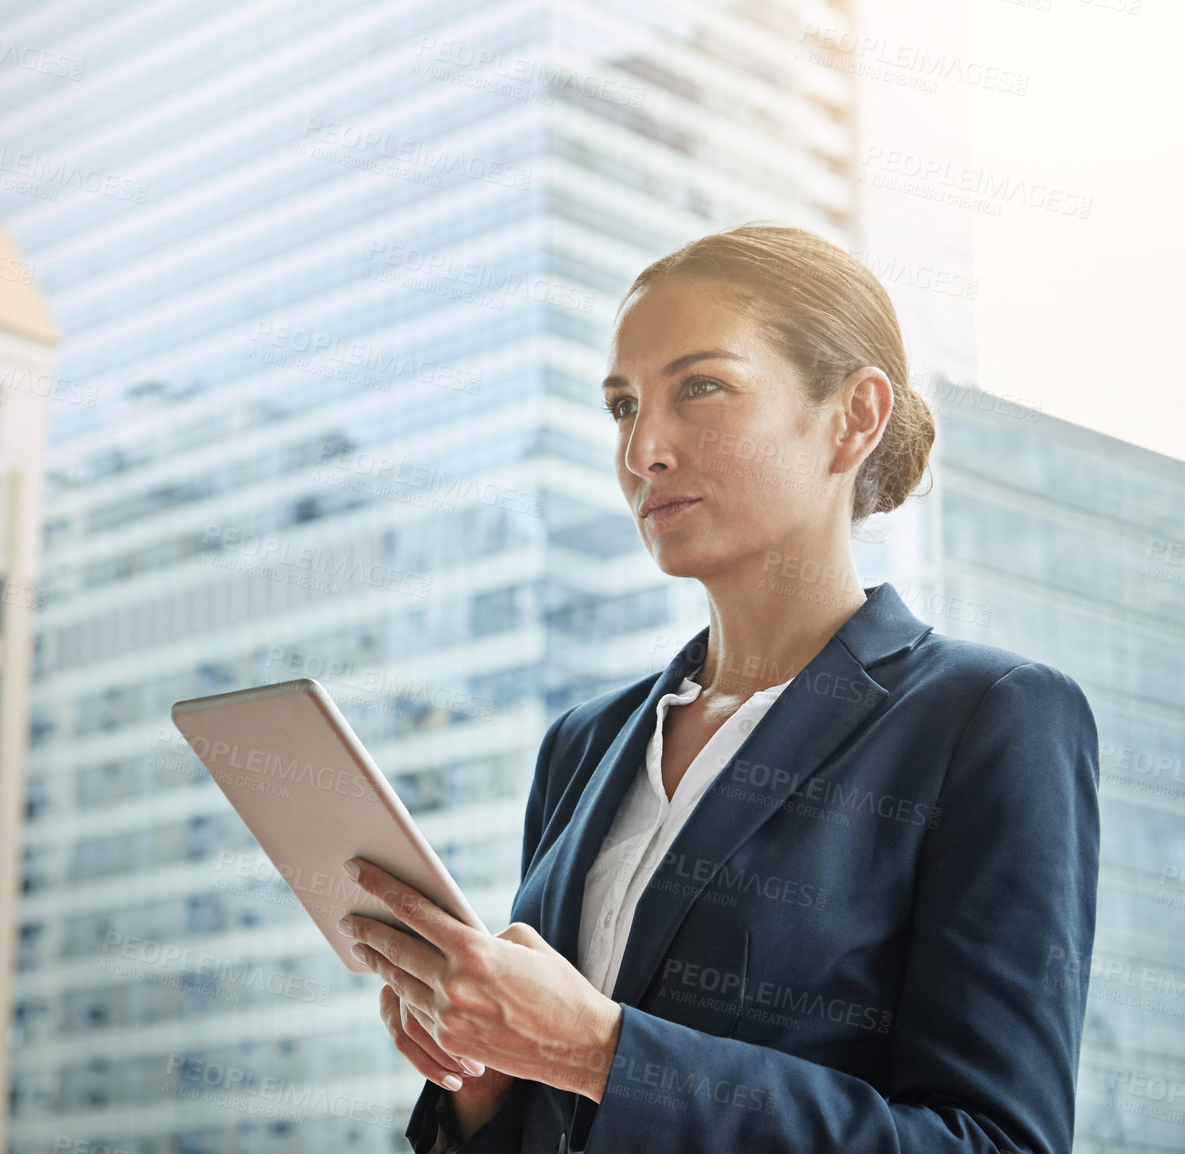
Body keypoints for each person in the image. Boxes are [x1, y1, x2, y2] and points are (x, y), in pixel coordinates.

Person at [337, 223, 1100, 1152]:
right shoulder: (584, 743)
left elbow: (995, 1142)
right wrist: (487, 1081)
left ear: (853, 417)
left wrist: (598, 1052)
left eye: (701, 388)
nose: (644, 448)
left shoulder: (990, 719)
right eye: (622, 407)